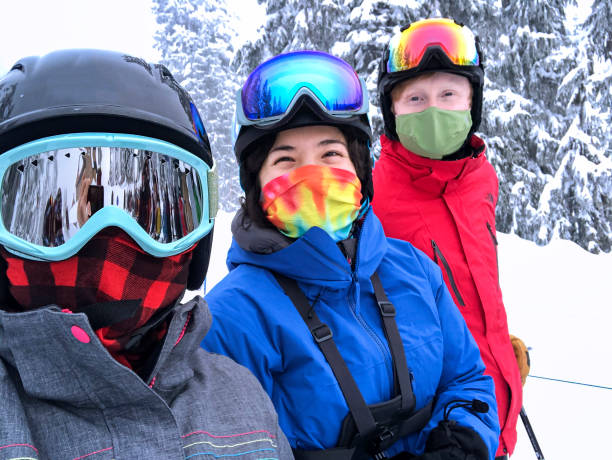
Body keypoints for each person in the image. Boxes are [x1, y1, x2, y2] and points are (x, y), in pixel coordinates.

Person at [201, 50, 500, 460]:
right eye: (286, 160)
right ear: (257, 185)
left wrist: (463, 441)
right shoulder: (232, 317)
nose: (313, 175)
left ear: (360, 172)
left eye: (331, 155)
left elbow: (467, 379)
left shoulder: (414, 270)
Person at [0, 49, 291, 459]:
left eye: (150, 212)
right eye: (59, 214)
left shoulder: (241, 397)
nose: (113, 239)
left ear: (199, 235)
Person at [373, 18, 530, 459]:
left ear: (471, 102)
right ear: (392, 110)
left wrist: (500, 353)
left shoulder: (481, 181)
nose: (434, 111)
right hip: (435, 436)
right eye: (416, 99)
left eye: (448, 95)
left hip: (494, 418)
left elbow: (475, 286)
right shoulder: (369, 197)